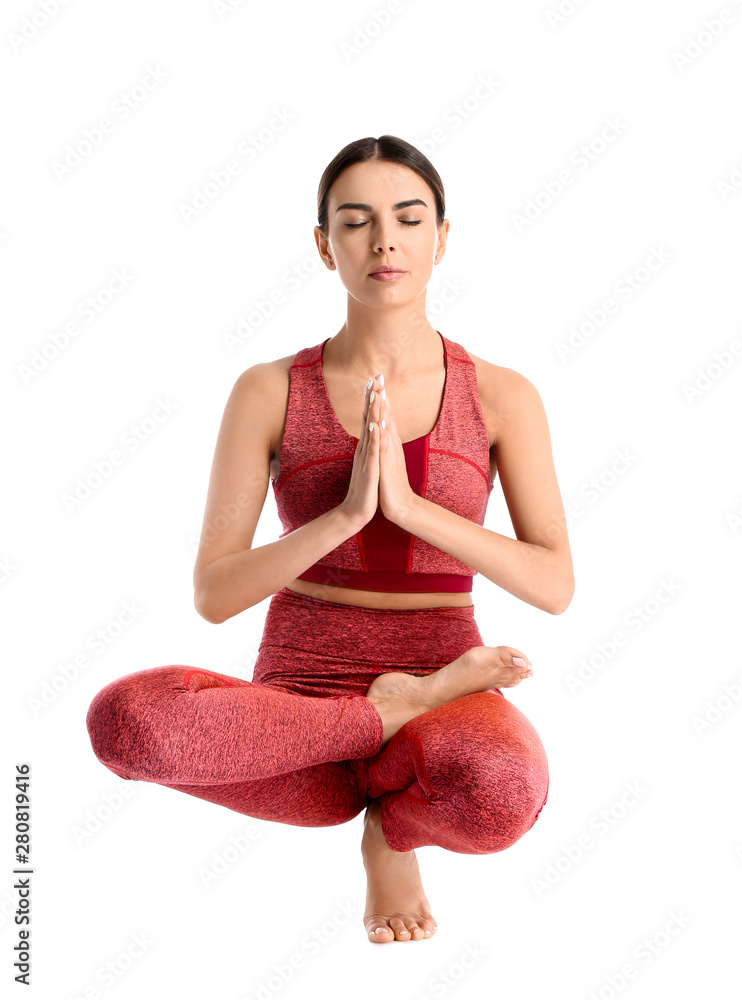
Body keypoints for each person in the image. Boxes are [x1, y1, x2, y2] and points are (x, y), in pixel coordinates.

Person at [86, 134, 574, 945]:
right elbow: (215, 595)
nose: (384, 239)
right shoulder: (271, 389)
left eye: (409, 219)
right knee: (127, 724)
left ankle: (394, 816)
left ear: (441, 238)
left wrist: (413, 509)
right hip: (297, 703)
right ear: (324, 245)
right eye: (356, 221)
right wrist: (345, 516)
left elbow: (554, 584)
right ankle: (380, 727)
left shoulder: (503, 395)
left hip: (444, 682)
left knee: (499, 793)